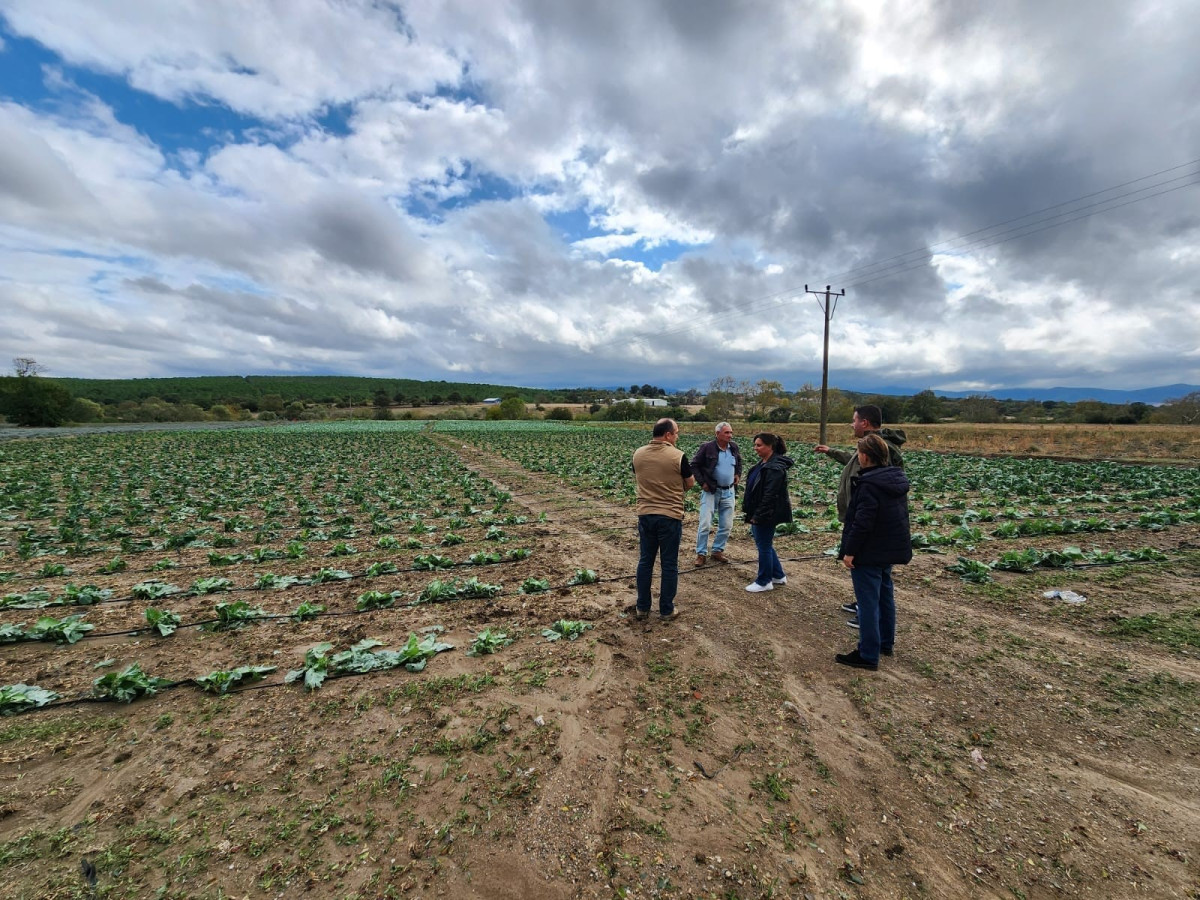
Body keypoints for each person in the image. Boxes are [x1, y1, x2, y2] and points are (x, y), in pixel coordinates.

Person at [814, 404, 906, 620]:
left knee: (869, 568)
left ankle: (867, 616)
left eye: (854, 420)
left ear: (864, 423)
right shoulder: (871, 446)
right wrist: (832, 452)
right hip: (863, 515)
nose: (852, 424)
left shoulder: (883, 447)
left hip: (871, 519)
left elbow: (882, 484)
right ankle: (864, 606)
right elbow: (857, 463)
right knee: (868, 571)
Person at [834, 433, 913, 670]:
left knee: (868, 602)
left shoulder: (868, 484)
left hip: (868, 551)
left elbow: (862, 523)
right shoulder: (895, 479)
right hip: (888, 548)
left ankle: (868, 654)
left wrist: (849, 552)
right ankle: (885, 644)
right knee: (885, 596)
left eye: (858, 453)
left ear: (865, 457)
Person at [632, 418, 695, 620]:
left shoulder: (638, 454)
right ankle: (667, 609)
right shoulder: (678, 456)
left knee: (645, 561)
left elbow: (638, 474)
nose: (677, 436)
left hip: (645, 514)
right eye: (676, 432)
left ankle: (642, 607)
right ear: (668, 434)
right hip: (670, 516)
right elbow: (690, 482)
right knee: (669, 564)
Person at [741, 432, 793, 593]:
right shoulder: (764, 464)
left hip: (767, 514)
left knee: (763, 546)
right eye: (755, 445)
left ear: (770, 447)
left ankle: (764, 581)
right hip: (759, 511)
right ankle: (778, 575)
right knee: (765, 543)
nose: (755, 448)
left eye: (759, 445)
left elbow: (770, 495)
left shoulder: (774, 468)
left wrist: (758, 515)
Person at [690, 422, 742, 566]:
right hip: (712, 491)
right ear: (717, 434)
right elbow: (694, 465)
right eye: (726, 433)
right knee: (705, 524)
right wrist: (702, 483)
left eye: (731, 432)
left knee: (726, 525)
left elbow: (739, 462)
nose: (730, 435)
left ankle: (717, 550)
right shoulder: (707, 448)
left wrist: (738, 473)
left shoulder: (734, 447)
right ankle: (701, 554)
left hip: (729, 491)